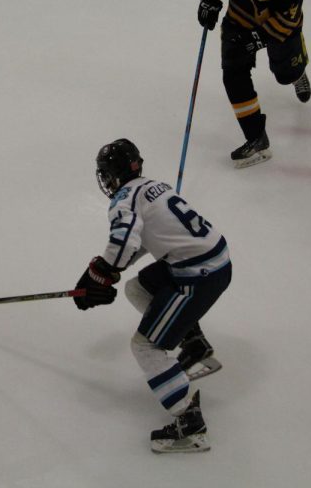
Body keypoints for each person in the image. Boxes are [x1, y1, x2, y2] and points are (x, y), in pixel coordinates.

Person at [73, 138, 232, 453]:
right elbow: (146, 238)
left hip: (198, 274)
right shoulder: (153, 186)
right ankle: (195, 345)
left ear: (114, 175)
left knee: (144, 346)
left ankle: (190, 423)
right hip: (215, 259)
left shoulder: (123, 199)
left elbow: (123, 242)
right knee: (137, 287)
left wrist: (100, 274)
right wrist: (107, 272)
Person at [197, 0, 311, 168]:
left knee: (285, 74)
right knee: (233, 74)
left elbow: (288, 17)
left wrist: (259, 39)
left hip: (279, 27)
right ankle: (256, 138)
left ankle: (298, 72)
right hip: (239, 20)